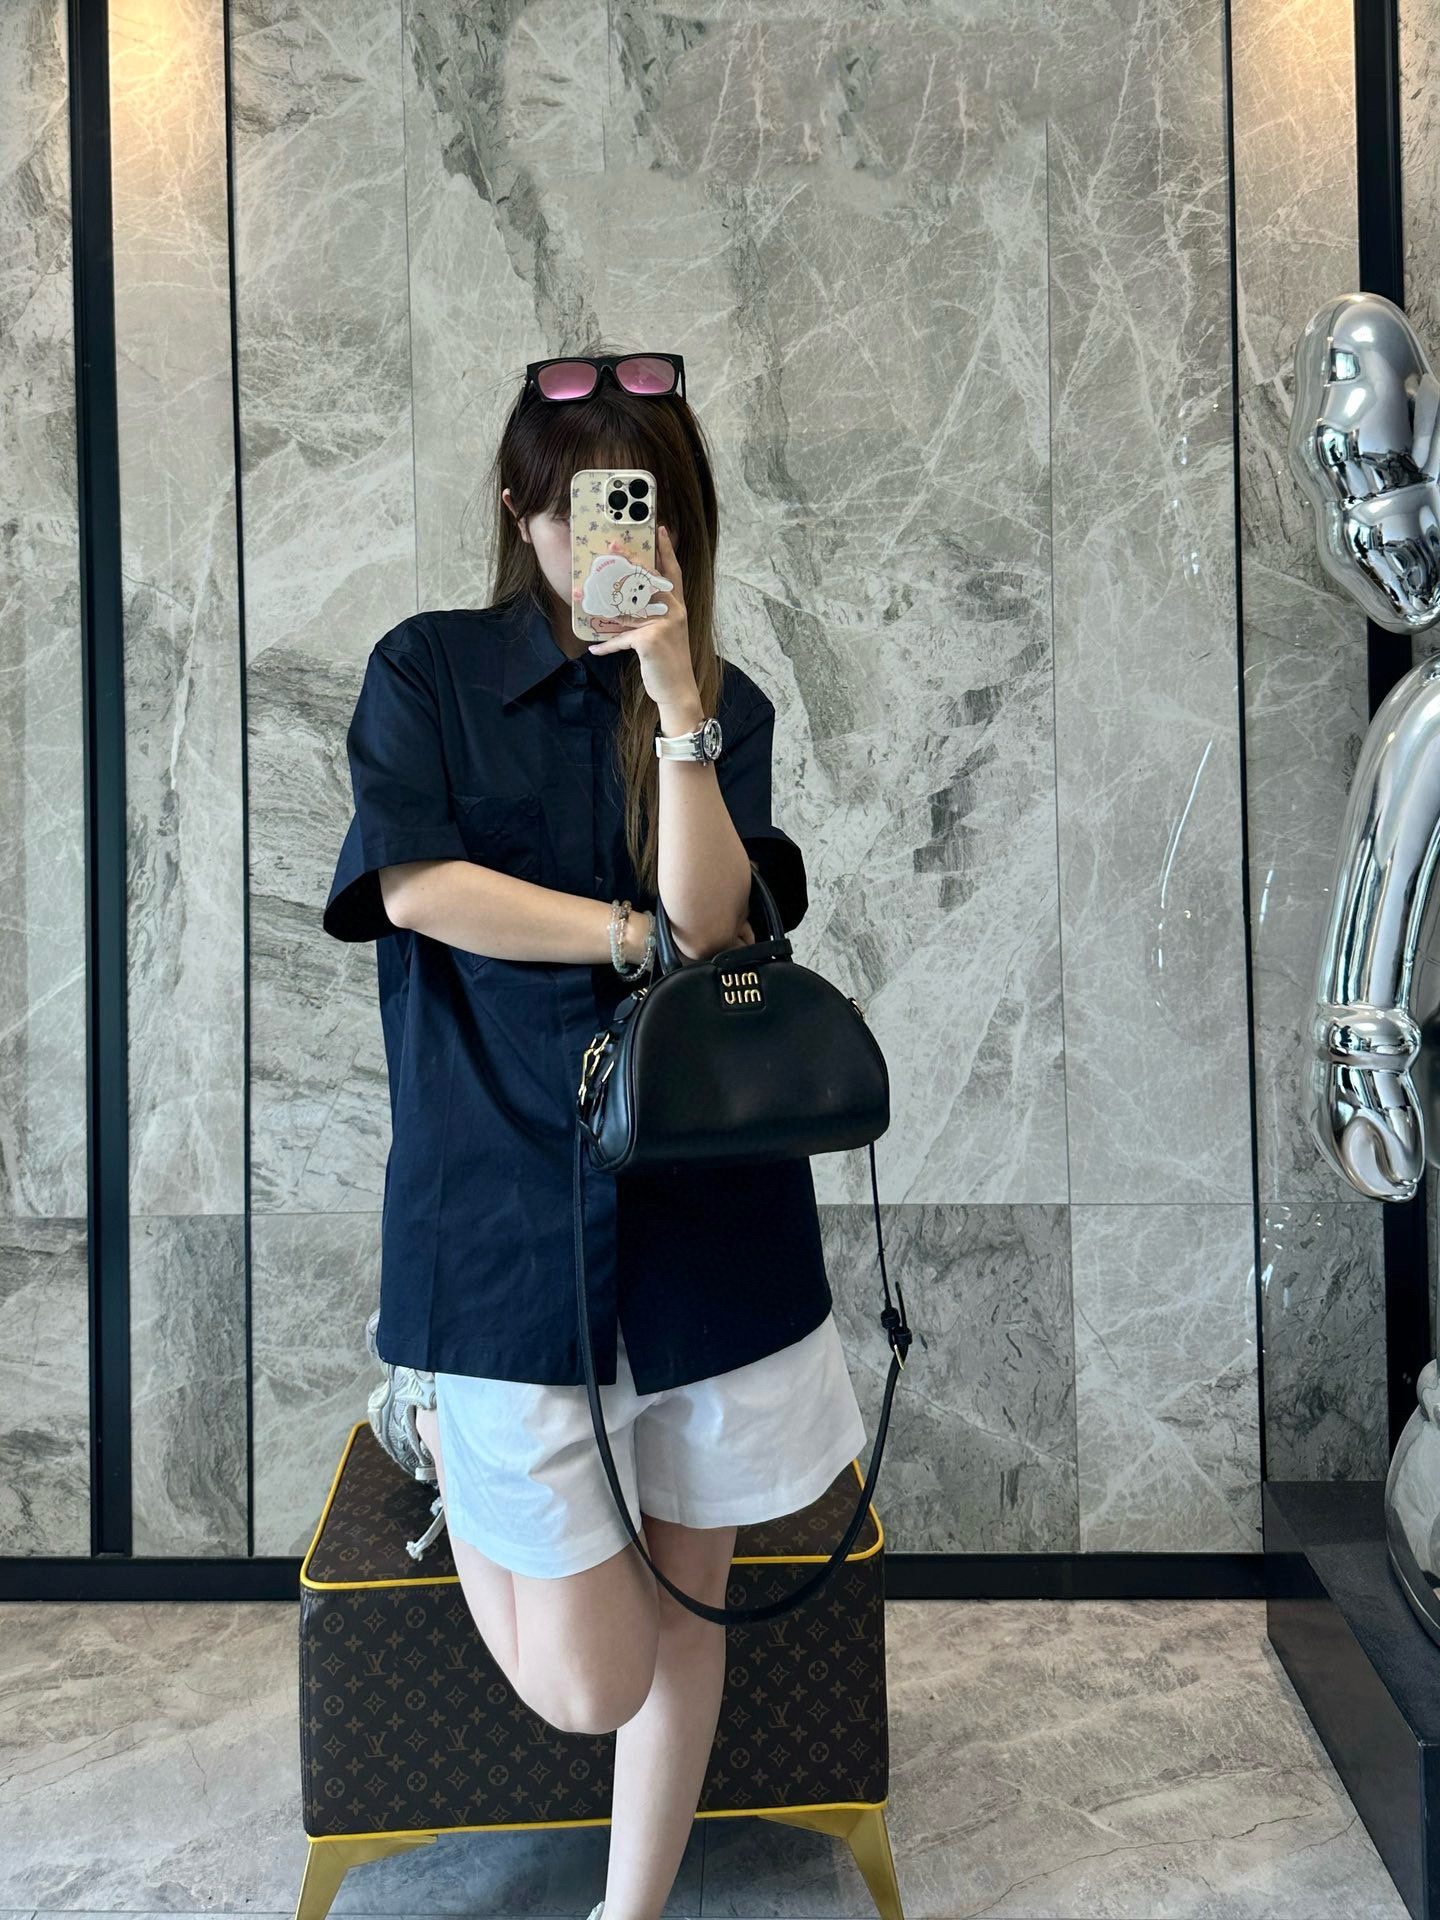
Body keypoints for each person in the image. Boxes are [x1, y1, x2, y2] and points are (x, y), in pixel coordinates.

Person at [321, 348, 868, 1920]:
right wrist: (626, 937)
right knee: (591, 1676)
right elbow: (420, 889)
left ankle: (628, 1914)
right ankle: (435, 1421)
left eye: (647, 509)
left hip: (707, 1224)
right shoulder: (426, 671)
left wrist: (679, 704)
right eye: (581, 511)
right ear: (520, 510)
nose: (613, 540)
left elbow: (717, 922)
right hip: (499, 1216)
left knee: (692, 1597)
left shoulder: (722, 704)